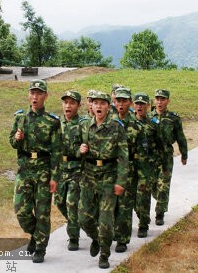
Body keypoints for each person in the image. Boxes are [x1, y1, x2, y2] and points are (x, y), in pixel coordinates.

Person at [8, 79, 60, 263]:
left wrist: (55, 177)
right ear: (29, 95)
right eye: (33, 93)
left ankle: (40, 247)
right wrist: (16, 138)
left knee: (43, 212)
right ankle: (35, 234)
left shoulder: (52, 121)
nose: (35, 96)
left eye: (39, 93)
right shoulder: (20, 118)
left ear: (45, 96)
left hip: (44, 170)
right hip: (25, 169)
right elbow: (12, 143)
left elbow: (56, 151)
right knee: (21, 210)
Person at [78, 91, 128, 269]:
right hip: (89, 177)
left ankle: (104, 255)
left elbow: (123, 156)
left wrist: (121, 181)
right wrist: (80, 150)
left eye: (102, 103)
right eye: (96, 103)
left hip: (108, 177)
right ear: (91, 105)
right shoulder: (84, 126)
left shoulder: (116, 127)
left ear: (108, 106)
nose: (98, 106)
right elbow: (73, 151)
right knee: (83, 219)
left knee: (106, 221)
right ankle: (95, 238)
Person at [112, 87, 146, 253]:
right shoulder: (108, 123)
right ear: (114, 102)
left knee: (125, 207)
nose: (121, 104)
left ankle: (122, 239)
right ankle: (111, 232)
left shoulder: (137, 126)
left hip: (129, 172)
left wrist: (143, 178)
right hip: (110, 171)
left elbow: (142, 155)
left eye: (124, 101)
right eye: (118, 100)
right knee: (111, 206)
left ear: (130, 103)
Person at [54, 90, 87, 251]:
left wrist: (82, 149)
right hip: (61, 169)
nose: (68, 106)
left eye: (72, 103)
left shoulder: (83, 124)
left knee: (71, 202)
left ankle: (73, 237)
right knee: (59, 202)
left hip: (77, 169)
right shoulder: (56, 124)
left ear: (79, 106)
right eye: (65, 102)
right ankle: (76, 222)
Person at [151, 88, 188, 226]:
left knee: (163, 186)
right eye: (157, 99)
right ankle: (159, 200)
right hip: (151, 157)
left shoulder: (173, 118)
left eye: (163, 99)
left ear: (168, 101)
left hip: (166, 155)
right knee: (153, 186)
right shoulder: (148, 117)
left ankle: (160, 213)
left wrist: (184, 154)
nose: (159, 102)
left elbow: (180, 137)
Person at [132, 92, 161, 238]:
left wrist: (157, 163)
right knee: (132, 198)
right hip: (131, 165)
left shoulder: (154, 124)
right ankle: (141, 215)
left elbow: (160, 145)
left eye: (142, 104)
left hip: (147, 166)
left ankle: (143, 224)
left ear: (148, 106)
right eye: (137, 103)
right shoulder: (128, 123)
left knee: (143, 196)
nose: (139, 106)